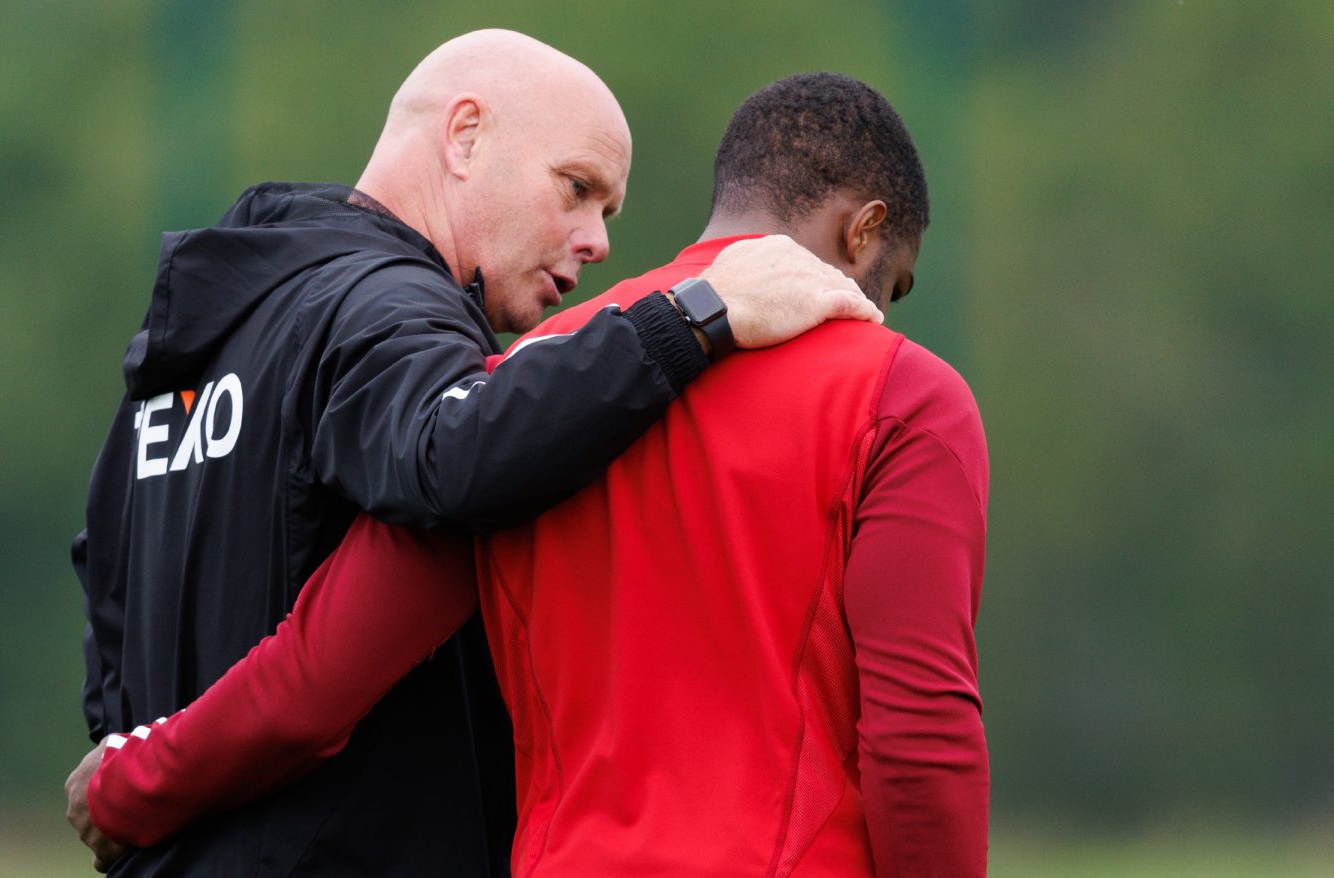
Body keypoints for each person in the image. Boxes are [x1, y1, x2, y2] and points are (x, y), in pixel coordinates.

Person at [69, 73, 987, 876]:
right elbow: (919, 736)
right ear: (864, 232)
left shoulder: (521, 391)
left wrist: (126, 782)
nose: (594, 243)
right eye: (890, 287)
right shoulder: (904, 397)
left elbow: (314, 679)